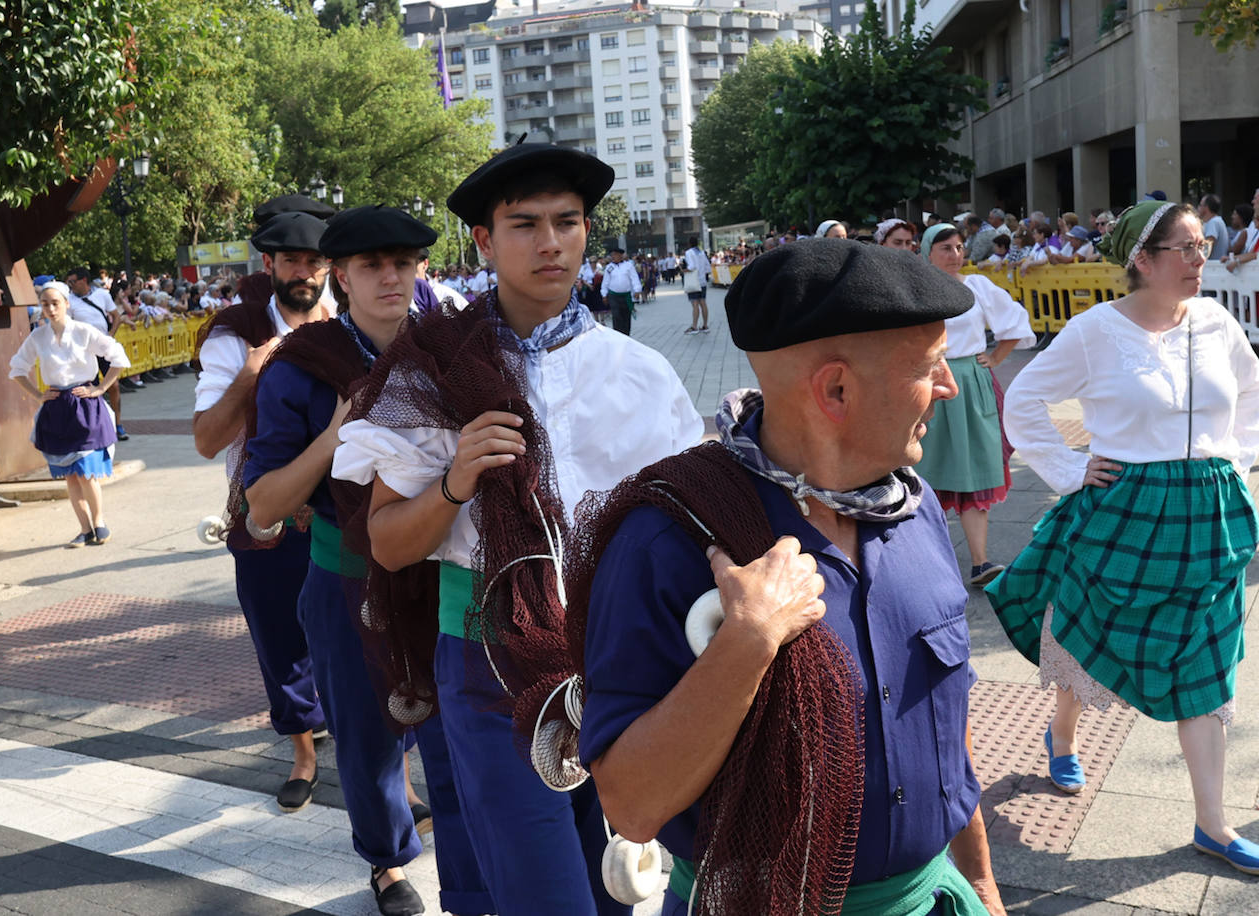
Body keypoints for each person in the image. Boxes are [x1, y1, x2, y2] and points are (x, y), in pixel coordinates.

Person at [577, 239, 1004, 915]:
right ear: (836, 390)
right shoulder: (670, 539)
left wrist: (980, 883)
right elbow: (631, 806)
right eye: (930, 367)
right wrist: (746, 643)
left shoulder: (913, 509)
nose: (949, 387)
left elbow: (949, 733)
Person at [332, 142, 703, 916]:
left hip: (618, 653)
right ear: (484, 241)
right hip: (487, 657)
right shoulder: (430, 372)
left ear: (587, 232)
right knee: (545, 896)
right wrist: (455, 479)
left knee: (616, 885)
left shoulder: (641, 373)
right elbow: (389, 543)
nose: (550, 243)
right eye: (524, 225)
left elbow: (688, 529)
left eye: (567, 222)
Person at [987, 201, 1259, 877]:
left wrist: (1233, 467)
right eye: (1186, 248)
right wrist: (1070, 470)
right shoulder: (1094, 330)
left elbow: (1256, 393)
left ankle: (1213, 824)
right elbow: (1025, 399)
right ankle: (1063, 735)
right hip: (1126, 510)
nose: (1201, 259)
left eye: (1204, 246)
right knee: (1089, 635)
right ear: (1142, 260)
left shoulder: (1215, 320)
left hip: (1209, 519)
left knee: (1207, 663)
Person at [242, 206, 489, 916]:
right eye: (371, 265)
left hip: (446, 573)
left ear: (420, 269)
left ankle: (470, 882)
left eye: (402, 263)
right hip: (347, 577)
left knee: (459, 735)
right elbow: (263, 504)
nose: (390, 278)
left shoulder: (454, 349)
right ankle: (387, 863)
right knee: (367, 736)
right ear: (341, 277)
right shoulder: (300, 367)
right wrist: (334, 436)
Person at [192, 199, 332, 813]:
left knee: (364, 632)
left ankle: (389, 772)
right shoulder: (235, 333)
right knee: (279, 636)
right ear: (269, 263)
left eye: (315, 260)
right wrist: (251, 374)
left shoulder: (352, 320)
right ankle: (303, 753)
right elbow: (205, 441)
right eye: (292, 260)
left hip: (348, 511)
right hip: (265, 515)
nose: (304, 271)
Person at [915, 224, 1035, 585]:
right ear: (928, 252)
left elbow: (1015, 322)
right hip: (929, 383)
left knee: (974, 468)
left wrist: (996, 357)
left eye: (958, 247)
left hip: (970, 381)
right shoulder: (917, 288)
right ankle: (925, 561)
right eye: (946, 248)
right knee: (926, 468)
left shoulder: (977, 287)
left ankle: (980, 562)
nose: (955, 254)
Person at [8, 282, 130, 546]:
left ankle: (99, 522)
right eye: (45, 304)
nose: (50, 309)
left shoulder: (84, 331)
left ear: (66, 303)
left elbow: (117, 356)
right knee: (71, 476)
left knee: (86, 471)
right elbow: (17, 368)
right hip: (57, 408)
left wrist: (100, 388)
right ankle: (85, 529)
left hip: (84, 406)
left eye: (55, 303)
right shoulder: (38, 337)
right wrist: (38, 394)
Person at [64, 266, 127, 441]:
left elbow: (116, 316)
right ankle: (98, 427)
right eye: (68, 282)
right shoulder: (69, 301)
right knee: (90, 389)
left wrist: (111, 335)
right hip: (84, 351)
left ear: (84, 280)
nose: (70, 285)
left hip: (104, 347)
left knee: (113, 385)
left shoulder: (102, 294)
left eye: (73, 281)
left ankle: (118, 424)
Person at [601, 246, 641, 336]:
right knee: (616, 316)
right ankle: (618, 336)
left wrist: (637, 290)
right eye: (612, 255)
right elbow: (605, 282)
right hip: (613, 296)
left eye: (615, 255)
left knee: (626, 316)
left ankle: (626, 335)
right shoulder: (609, 267)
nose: (613, 257)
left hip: (626, 296)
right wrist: (604, 294)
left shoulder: (628, 266)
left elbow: (634, 278)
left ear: (620, 255)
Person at [681, 236, 712, 334]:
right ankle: (705, 326)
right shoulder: (702, 252)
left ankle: (694, 327)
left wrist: (683, 270)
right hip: (702, 281)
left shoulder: (689, 252)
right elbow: (708, 268)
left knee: (695, 304)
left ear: (689, 243)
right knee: (703, 303)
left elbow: (691, 266)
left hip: (694, 281)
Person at [1199, 194, 1230, 260]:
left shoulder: (1213, 222)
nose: (1198, 207)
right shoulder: (1214, 221)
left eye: (1200, 205)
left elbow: (1207, 249)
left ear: (1206, 207)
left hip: (1213, 265)